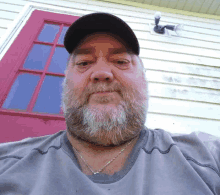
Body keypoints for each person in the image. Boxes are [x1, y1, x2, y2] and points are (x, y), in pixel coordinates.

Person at [0, 13, 220, 195]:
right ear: (65, 84)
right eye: (84, 63)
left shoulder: (208, 158)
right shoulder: (6, 164)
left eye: (121, 62)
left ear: (143, 80)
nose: (102, 73)